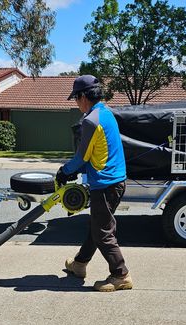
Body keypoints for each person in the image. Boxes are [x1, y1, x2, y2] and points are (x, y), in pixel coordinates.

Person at [56, 74, 132, 292]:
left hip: (106, 184)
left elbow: (82, 156)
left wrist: (64, 171)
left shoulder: (91, 120)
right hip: (114, 181)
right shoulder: (105, 113)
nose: (76, 103)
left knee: (103, 232)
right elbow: (94, 153)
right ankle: (79, 264)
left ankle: (120, 275)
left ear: (83, 96)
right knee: (97, 226)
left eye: (75, 98)